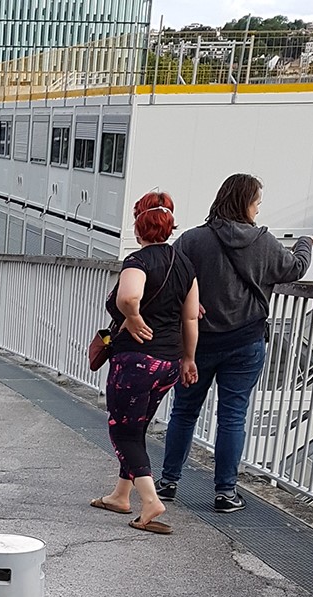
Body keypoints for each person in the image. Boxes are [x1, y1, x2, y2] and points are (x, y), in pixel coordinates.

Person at [158, 174, 313, 511]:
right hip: (245, 342)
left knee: (184, 412)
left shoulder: (193, 241)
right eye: (257, 202)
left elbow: (168, 274)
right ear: (246, 204)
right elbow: (296, 268)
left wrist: (188, 303)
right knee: (232, 416)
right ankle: (225, 493)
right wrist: (305, 242)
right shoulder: (264, 242)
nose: (258, 209)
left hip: (196, 344)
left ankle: (168, 482)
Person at [90, 191, 199, 535]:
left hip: (136, 361)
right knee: (136, 428)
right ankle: (121, 496)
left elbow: (127, 296)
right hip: (167, 363)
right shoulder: (185, 265)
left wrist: (133, 316)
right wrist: (188, 358)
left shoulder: (138, 262)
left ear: (139, 226)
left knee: (122, 430)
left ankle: (150, 501)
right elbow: (191, 319)